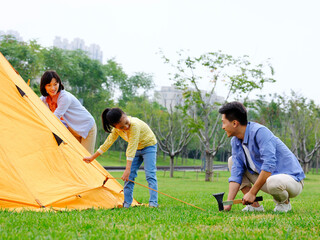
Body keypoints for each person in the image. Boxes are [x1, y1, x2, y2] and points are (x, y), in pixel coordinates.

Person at [219, 101, 305, 212]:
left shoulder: (260, 132)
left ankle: (284, 204)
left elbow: (268, 166)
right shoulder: (235, 142)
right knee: (232, 161)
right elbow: (236, 174)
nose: (222, 127)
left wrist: (252, 193)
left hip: (292, 180)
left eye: (223, 123)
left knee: (274, 181)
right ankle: (254, 206)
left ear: (235, 123)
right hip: (269, 179)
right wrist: (228, 203)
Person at [83, 107, 158, 208]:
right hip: (136, 150)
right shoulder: (116, 130)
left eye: (126, 122)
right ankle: (127, 204)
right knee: (129, 178)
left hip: (149, 146)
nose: (126, 127)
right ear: (116, 127)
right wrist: (93, 157)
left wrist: (127, 169)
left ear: (125, 115)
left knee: (150, 174)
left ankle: (153, 203)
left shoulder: (134, 125)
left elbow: (131, 147)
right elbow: (108, 143)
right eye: (122, 127)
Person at [40, 70, 97, 154]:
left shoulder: (64, 97)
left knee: (85, 160)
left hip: (86, 127)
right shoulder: (44, 99)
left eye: (55, 84)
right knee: (74, 158)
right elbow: (33, 105)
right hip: (73, 130)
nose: (53, 88)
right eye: (49, 85)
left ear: (59, 83)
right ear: (44, 86)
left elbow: (54, 119)